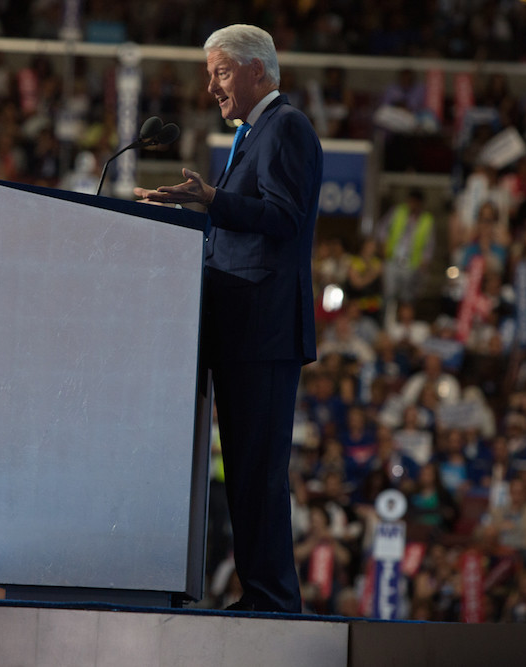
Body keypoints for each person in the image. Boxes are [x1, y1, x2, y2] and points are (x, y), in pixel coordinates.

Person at [134, 23, 322, 613]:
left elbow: (284, 218)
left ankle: (271, 599)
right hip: (238, 325)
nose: (211, 87)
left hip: (263, 330)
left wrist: (214, 201)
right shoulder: (253, 132)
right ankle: (260, 593)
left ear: (255, 70)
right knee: (242, 471)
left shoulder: (285, 126)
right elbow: (247, 223)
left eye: (220, 72)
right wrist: (194, 213)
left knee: (257, 472)